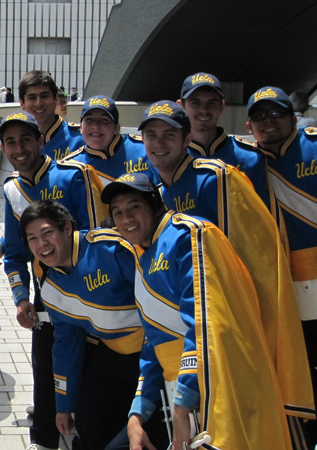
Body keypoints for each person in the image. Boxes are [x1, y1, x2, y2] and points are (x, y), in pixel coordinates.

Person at [140, 99, 314, 442]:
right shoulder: (153, 192)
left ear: (187, 137)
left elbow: (261, 260)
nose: (159, 143)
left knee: (265, 417)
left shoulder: (218, 179)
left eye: (168, 135)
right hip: (191, 329)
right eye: (151, 135)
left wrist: (260, 328)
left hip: (237, 327)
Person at [101, 173, 293, 450]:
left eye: (134, 207)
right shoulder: (144, 254)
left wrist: (182, 401)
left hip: (218, 389)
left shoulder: (186, 234)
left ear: (155, 206)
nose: (126, 219)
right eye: (117, 213)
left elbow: (204, 322)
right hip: (182, 395)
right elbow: (154, 341)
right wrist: (137, 413)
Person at [0, 111, 105, 450]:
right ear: (2, 148)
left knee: (89, 374)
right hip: (46, 300)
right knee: (45, 369)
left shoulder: (74, 176)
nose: (19, 148)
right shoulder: (11, 189)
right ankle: (44, 439)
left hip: (89, 294)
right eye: (10, 142)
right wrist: (21, 298)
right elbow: (14, 253)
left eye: (26, 139)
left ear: (41, 140)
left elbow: (95, 238)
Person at [20, 200, 143, 450]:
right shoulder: (50, 284)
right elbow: (66, 345)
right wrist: (63, 407)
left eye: (47, 233)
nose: (41, 245)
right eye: (32, 238)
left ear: (67, 228)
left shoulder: (112, 250)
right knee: (89, 423)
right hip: (111, 353)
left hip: (153, 356)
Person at [245, 86, 317, 447]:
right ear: (249, 124)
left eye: (276, 113)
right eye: (260, 116)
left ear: (293, 117)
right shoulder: (246, 162)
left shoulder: (315, 145)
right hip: (282, 295)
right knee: (296, 382)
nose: (268, 121)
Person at [176, 72, 268, 203]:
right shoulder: (171, 157)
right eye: (195, 103)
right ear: (181, 106)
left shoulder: (250, 157)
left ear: (221, 107)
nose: (204, 110)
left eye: (211, 103)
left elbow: (262, 215)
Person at [64, 95, 159, 186]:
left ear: (116, 128)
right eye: (89, 120)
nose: (96, 126)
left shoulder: (145, 151)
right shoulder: (71, 166)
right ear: (80, 127)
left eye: (104, 120)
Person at [18, 70, 83, 161]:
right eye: (32, 98)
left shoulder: (79, 139)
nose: (38, 103)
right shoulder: (18, 142)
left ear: (56, 99)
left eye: (44, 96)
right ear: (22, 103)